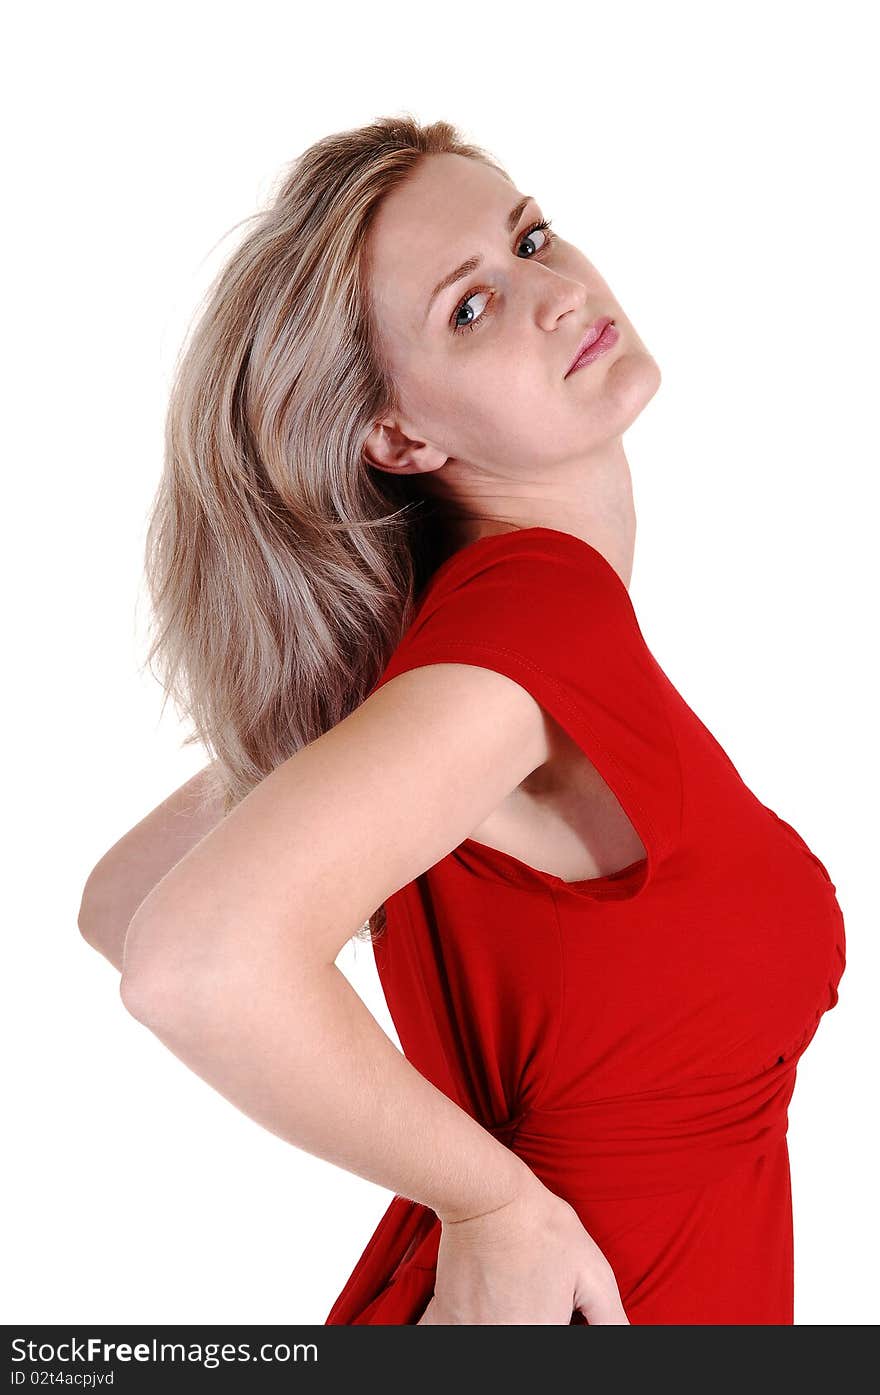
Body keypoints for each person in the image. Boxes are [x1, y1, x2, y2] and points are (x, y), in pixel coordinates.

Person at [77, 114, 846, 1325]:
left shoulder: (465, 654)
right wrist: (491, 1204)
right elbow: (186, 957)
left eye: (530, 236)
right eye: (469, 309)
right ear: (399, 436)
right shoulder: (539, 619)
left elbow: (124, 901)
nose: (551, 291)